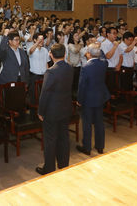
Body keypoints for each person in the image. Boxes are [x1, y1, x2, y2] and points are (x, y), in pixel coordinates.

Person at [36, 43, 74, 175]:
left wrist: (41, 111)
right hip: (66, 108)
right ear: (65, 54)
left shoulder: (51, 71)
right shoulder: (70, 68)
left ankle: (49, 168)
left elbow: (44, 94)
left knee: (50, 140)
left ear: (51, 55)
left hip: (52, 111)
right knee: (64, 138)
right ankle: (64, 165)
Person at [76, 43, 110, 155]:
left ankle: (87, 147)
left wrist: (79, 100)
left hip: (88, 99)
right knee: (99, 122)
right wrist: (98, 47)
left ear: (88, 54)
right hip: (100, 97)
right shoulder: (103, 64)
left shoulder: (86, 67)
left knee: (87, 124)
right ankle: (100, 147)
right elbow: (103, 57)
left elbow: (82, 86)